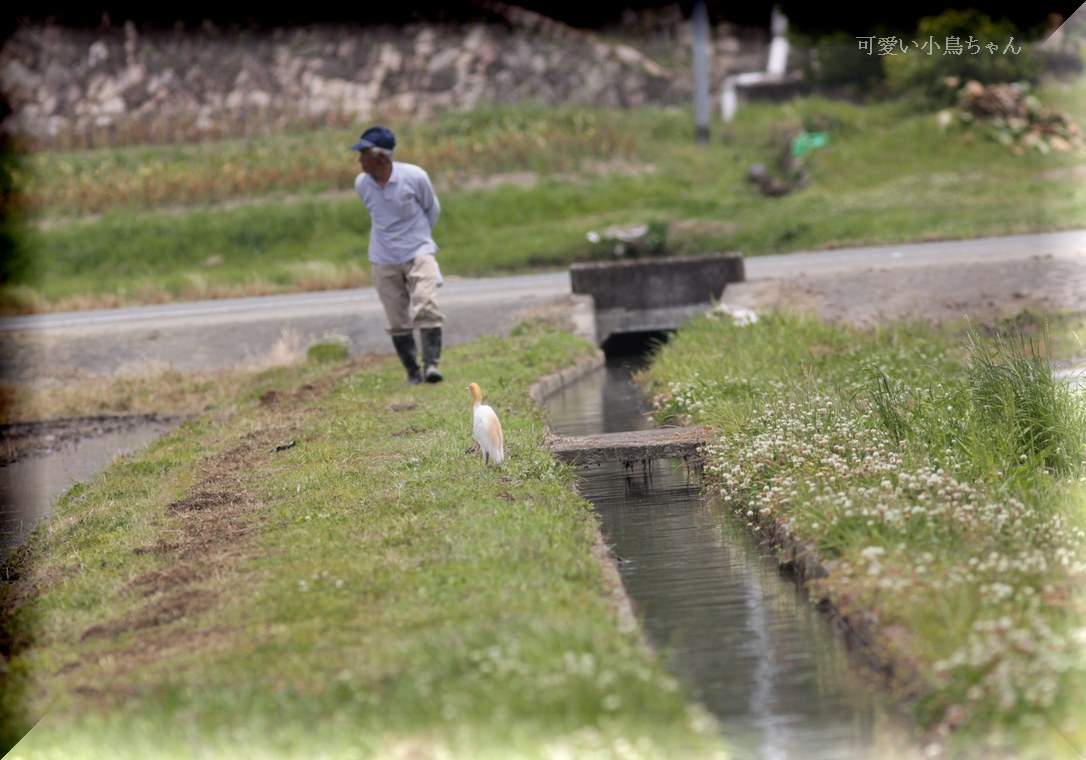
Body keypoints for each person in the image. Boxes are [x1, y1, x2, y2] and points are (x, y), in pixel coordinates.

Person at [351, 125, 445, 385]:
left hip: (418, 251)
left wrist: (419, 238)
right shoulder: (362, 184)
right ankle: (413, 372)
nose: (359, 159)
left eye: (363, 153)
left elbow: (431, 209)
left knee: (426, 303)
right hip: (383, 258)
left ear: (381, 156)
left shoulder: (414, 177)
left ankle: (432, 366)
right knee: (396, 317)